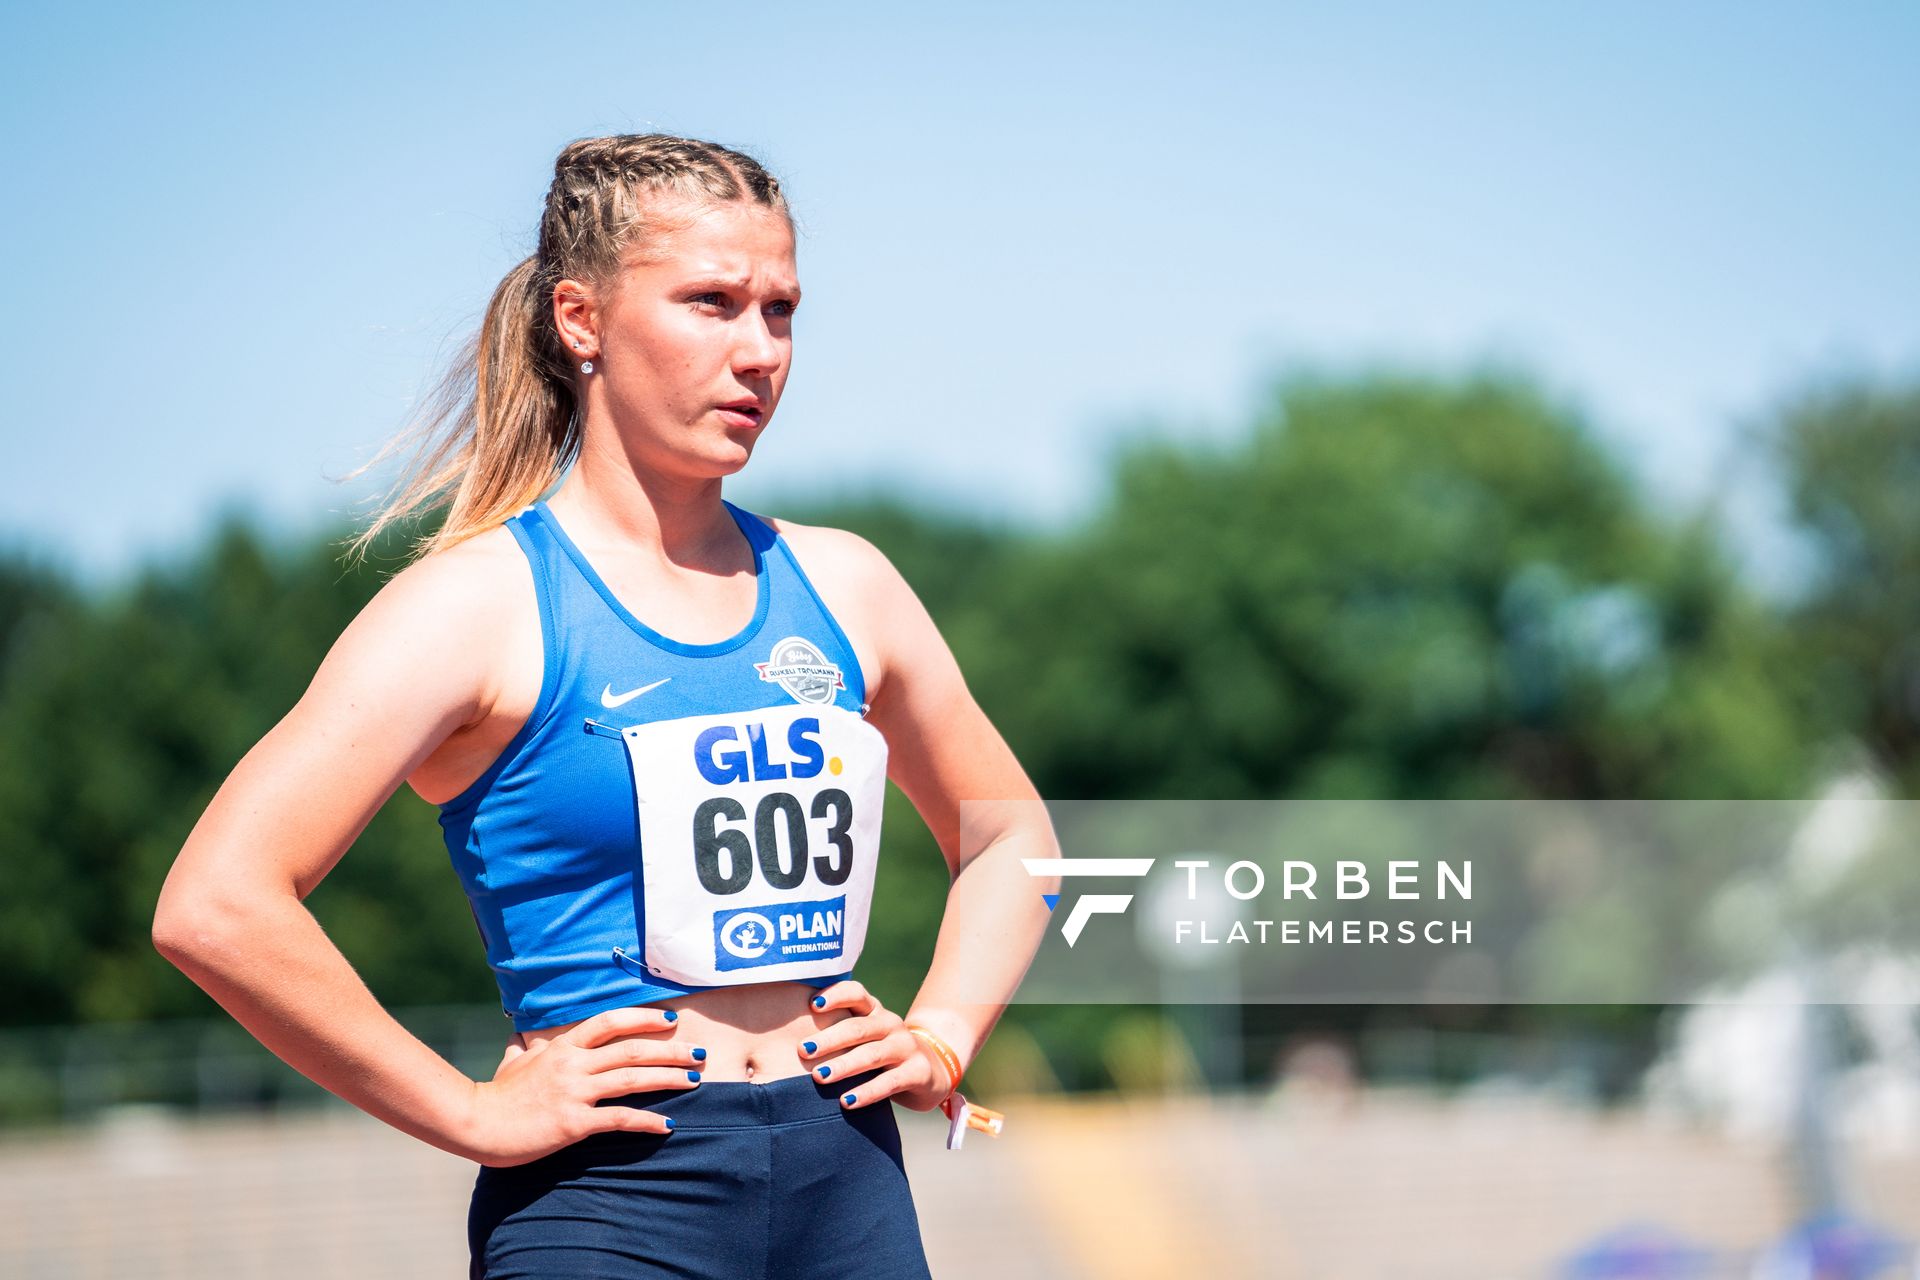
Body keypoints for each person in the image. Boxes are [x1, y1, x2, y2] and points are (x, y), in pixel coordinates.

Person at [152, 131, 1060, 1279]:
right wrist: (470, 1110)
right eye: (711, 302)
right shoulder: (474, 607)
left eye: (780, 310)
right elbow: (217, 902)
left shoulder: (848, 584)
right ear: (580, 320)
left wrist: (942, 1030)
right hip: (613, 1199)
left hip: (850, 1180)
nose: (758, 351)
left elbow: (1012, 831)